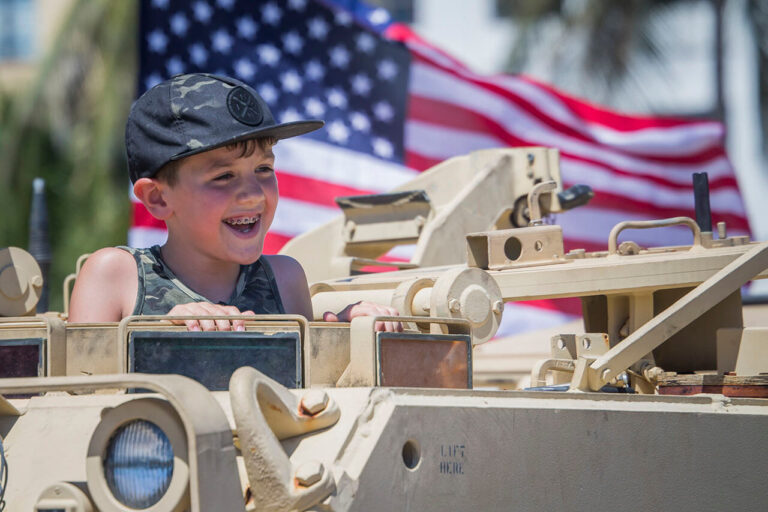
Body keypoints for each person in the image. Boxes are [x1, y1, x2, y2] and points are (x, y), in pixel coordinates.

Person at [68, 73, 400, 332]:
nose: (254, 193)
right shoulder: (115, 275)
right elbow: (78, 396)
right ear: (157, 198)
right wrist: (158, 330)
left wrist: (343, 329)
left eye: (264, 169)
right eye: (224, 176)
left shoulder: (284, 279)